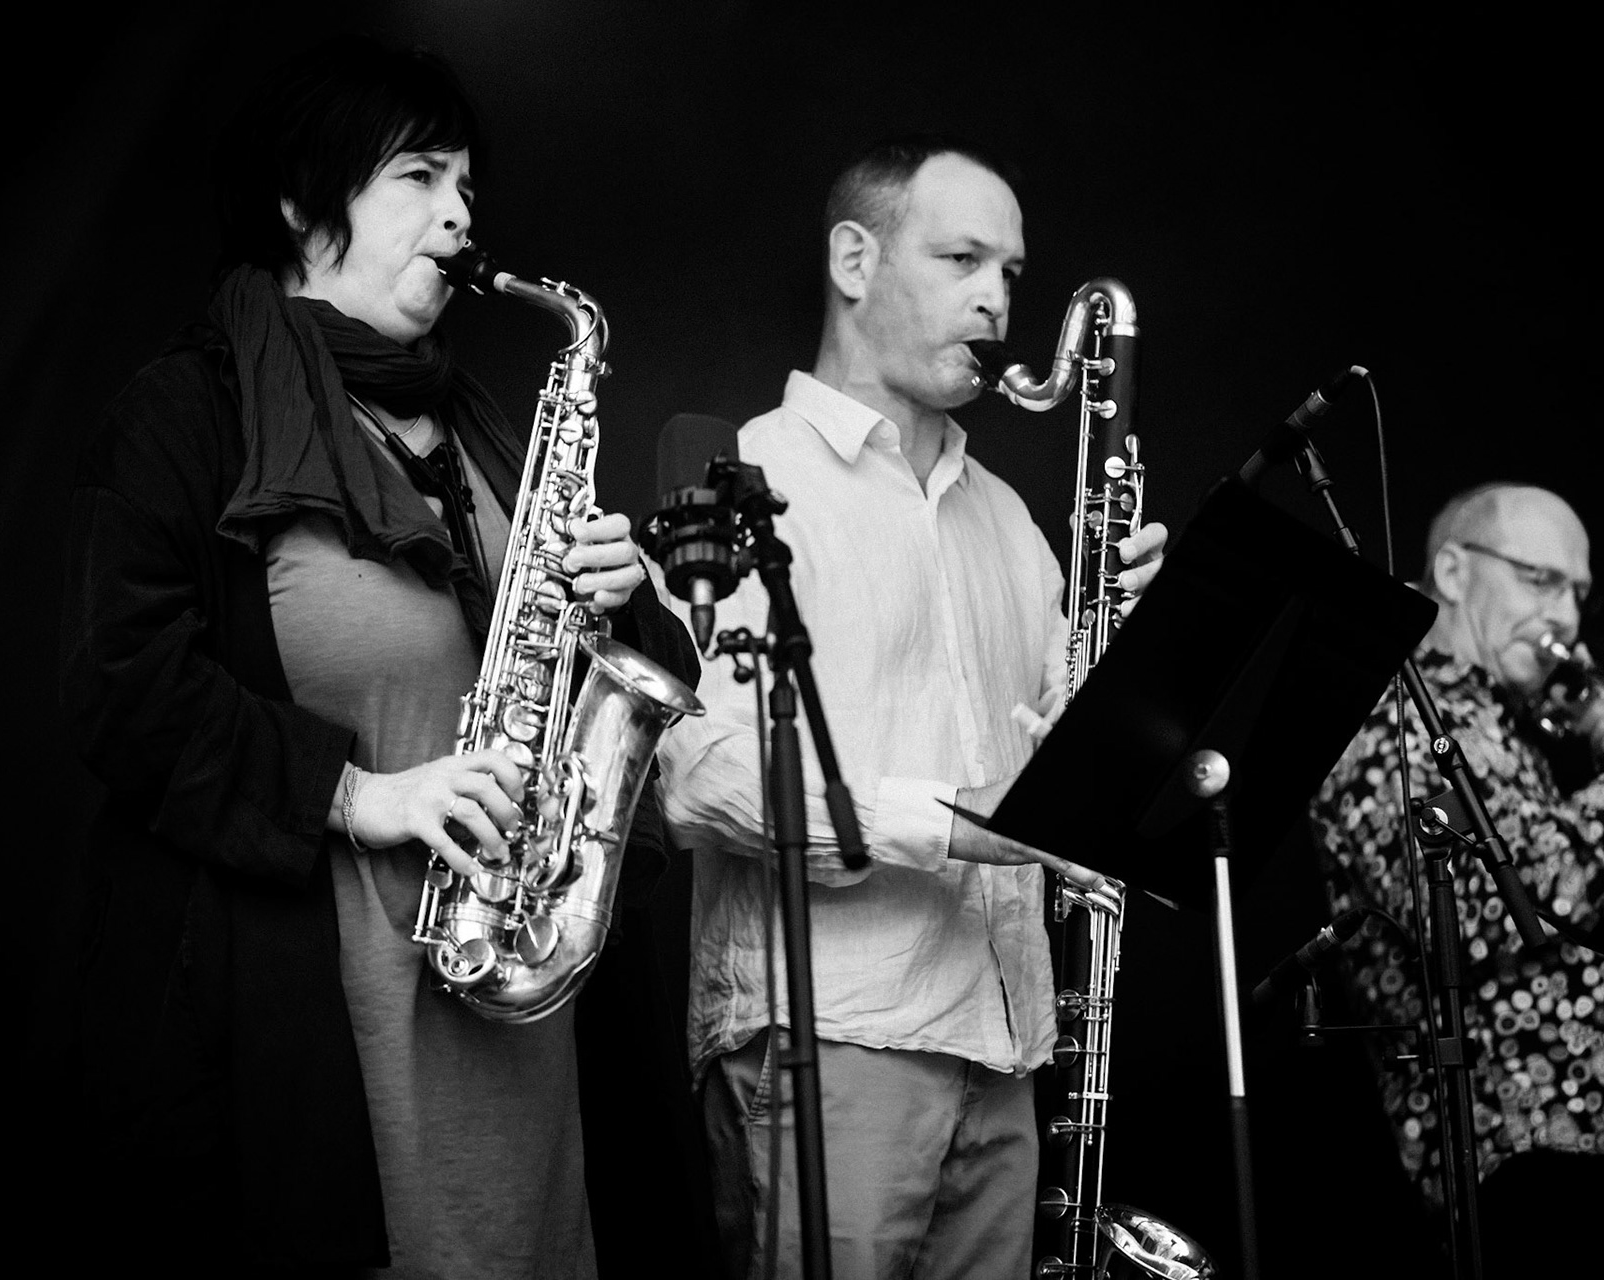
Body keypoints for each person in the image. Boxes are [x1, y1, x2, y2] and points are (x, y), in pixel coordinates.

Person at [59, 36, 695, 1277]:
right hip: (319, 1030)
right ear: (305, 205)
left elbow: (612, 692)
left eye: (467, 182)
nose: (461, 213)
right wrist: (361, 794)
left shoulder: (482, 430)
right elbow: (120, 690)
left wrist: (623, 603)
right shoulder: (186, 419)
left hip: (517, 1014)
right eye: (418, 175)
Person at [656, 138, 1166, 1279]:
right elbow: (694, 775)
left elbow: (1074, 764)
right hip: (831, 1036)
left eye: (1012, 273)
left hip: (1004, 1045)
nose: (996, 298)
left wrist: (1127, 644)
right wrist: (954, 822)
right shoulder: (743, 477)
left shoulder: (1014, 521)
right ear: (854, 258)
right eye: (962, 257)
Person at [1310, 482, 1604, 1277]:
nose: (1565, 616)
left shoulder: (1497, 723)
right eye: (1540, 580)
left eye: (1577, 594)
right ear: (1454, 572)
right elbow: (1471, 908)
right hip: (1521, 1170)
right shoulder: (1393, 710)